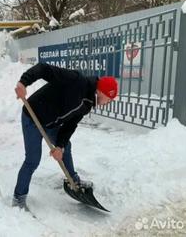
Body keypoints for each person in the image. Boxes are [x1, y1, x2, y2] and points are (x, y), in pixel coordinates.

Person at [12, 63, 118, 209]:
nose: (109, 102)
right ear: (104, 92)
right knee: (32, 160)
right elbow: (44, 69)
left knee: (66, 146)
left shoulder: (87, 104)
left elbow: (70, 126)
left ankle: (73, 181)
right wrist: (23, 83)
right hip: (32, 117)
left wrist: (60, 146)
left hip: (50, 124)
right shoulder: (76, 80)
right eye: (110, 99)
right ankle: (18, 197)